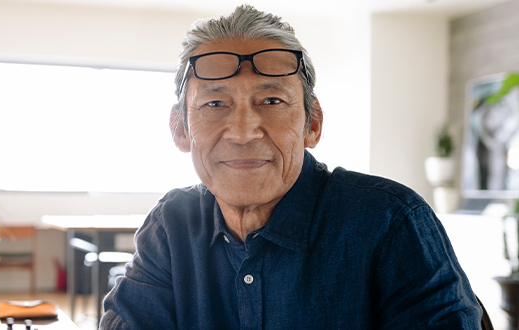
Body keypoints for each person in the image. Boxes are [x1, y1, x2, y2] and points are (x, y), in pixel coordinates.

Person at [100, 4, 482, 329]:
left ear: (312, 124)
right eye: (215, 104)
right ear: (180, 129)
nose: (243, 132)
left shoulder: (389, 222)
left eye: (271, 101)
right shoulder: (173, 224)